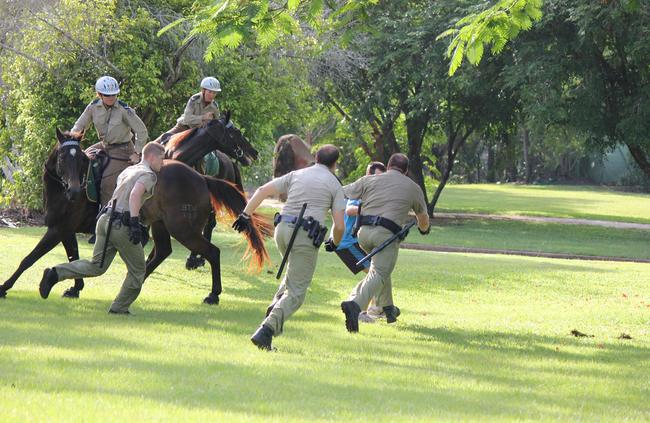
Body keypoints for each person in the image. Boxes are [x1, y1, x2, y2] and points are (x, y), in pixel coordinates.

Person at [232, 145, 346, 351]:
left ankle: (275, 308)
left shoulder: (297, 174)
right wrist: (334, 242)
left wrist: (245, 215)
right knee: (297, 292)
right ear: (335, 164)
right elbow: (339, 225)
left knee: (292, 276)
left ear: (316, 158)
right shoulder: (334, 184)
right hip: (304, 236)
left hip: (282, 231)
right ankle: (266, 331)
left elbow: (262, 190)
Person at [38, 142, 166, 314]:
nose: (162, 163)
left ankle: (55, 273)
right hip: (122, 225)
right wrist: (134, 223)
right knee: (138, 270)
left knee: (96, 266)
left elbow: (116, 194)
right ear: (151, 156)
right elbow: (135, 194)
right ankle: (119, 308)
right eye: (161, 158)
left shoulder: (129, 170)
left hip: (105, 220)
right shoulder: (148, 174)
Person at [339, 153, 430, 332]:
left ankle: (388, 309)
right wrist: (424, 229)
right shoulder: (413, 187)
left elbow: (341, 192)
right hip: (386, 235)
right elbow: (423, 217)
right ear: (405, 171)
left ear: (388, 166)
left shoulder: (369, 180)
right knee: (379, 272)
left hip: (363, 233)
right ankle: (354, 303)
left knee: (381, 267)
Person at [72, 76, 149, 207]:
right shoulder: (93, 107)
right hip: (104, 146)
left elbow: (142, 131)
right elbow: (78, 127)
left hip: (123, 150)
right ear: (100, 94)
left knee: (107, 184)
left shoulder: (124, 109)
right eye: (107, 95)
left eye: (114, 94)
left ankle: (107, 216)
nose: (111, 97)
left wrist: (137, 153)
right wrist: (71, 143)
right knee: (79, 160)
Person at [332, 161, 393, 324]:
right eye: (378, 176)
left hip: (356, 240)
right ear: (369, 175)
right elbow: (350, 209)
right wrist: (369, 208)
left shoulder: (373, 192)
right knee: (375, 274)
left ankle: (377, 308)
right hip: (347, 242)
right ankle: (359, 309)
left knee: (379, 273)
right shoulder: (362, 189)